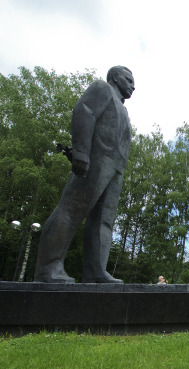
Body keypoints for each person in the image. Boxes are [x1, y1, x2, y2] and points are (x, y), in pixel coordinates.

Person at [34, 66, 135, 283]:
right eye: (128, 80)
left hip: (115, 168)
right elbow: (84, 111)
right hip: (96, 160)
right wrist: (81, 150)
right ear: (115, 78)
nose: (133, 86)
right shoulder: (102, 88)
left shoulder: (124, 110)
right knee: (71, 209)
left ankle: (96, 271)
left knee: (104, 221)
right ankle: (48, 268)